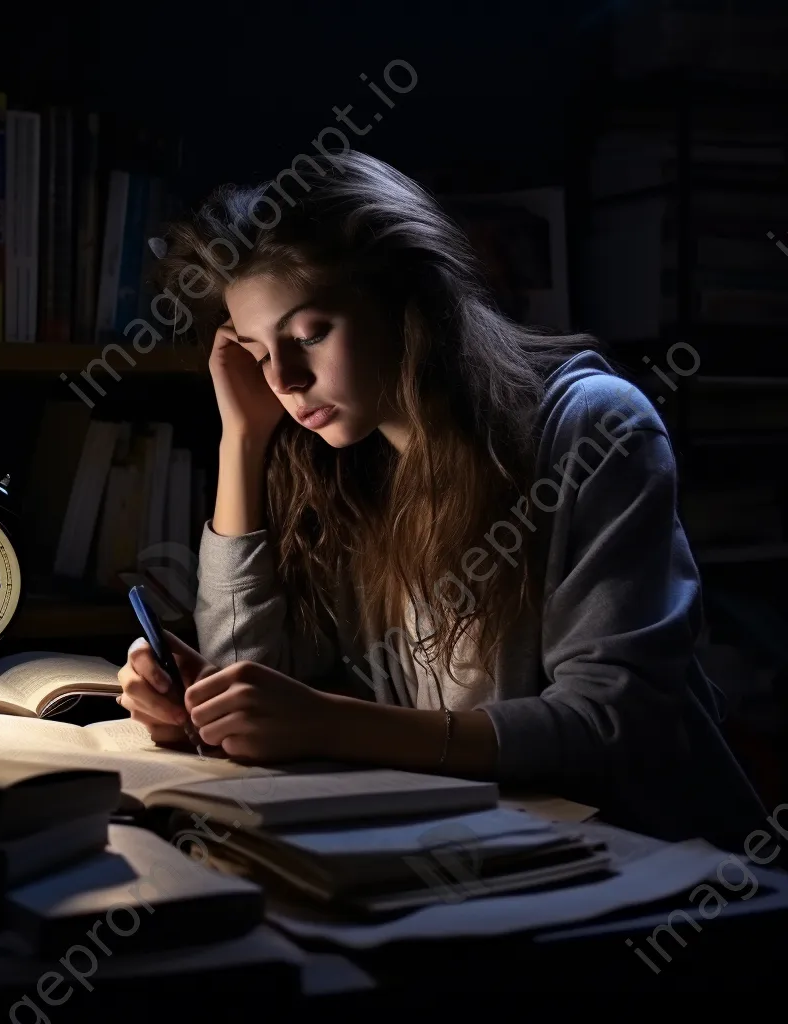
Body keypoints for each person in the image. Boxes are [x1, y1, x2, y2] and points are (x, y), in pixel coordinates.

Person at [117, 150, 767, 848]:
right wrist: (241, 442)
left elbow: (612, 722)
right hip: (483, 860)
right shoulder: (340, 462)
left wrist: (331, 723)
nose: (286, 378)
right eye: (256, 351)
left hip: (661, 869)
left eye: (309, 334)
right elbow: (255, 682)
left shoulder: (594, 428)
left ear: (407, 300)